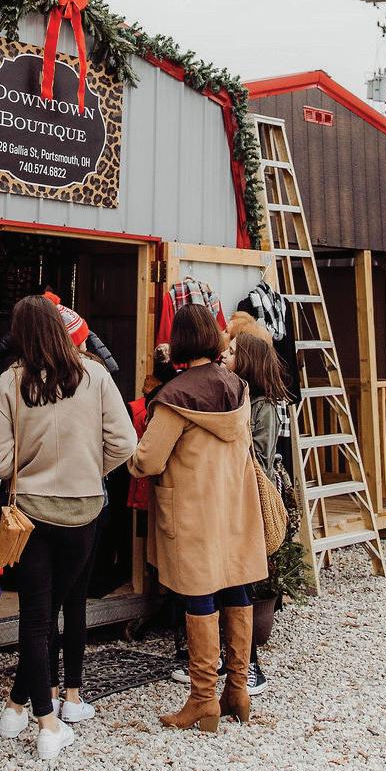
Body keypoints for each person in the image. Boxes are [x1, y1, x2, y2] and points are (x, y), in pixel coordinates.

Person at [0, 296, 137, 762]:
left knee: (37, 617)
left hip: (30, 510)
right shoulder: (95, 375)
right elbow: (124, 442)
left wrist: (25, 467)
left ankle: (29, 713)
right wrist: (90, 469)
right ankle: (36, 717)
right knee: (49, 613)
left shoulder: (9, 382)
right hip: (83, 509)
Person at [128, 306, 267, 733]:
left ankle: (204, 699)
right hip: (234, 507)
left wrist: (129, 458)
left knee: (199, 595)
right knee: (236, 587)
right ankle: (238, 690)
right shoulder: (238, 387)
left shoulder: (175, 396)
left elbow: (149, 460)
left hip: (192, 511)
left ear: (180, 342)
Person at [222, 326, 291, 696]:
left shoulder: (262, 407)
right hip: (231, 500)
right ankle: (231, 659)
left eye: (232, 351)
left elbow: (259, 463)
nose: (225, 355)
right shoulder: (238, 396)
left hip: (248, 502)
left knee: (241, 584)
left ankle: (250, 665)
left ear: (246, 360)